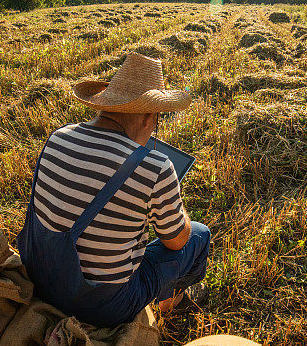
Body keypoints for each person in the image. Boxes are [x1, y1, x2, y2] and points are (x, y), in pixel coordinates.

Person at [15, 52, 211, 328]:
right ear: (147, 117)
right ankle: (171, 302)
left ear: (106, 105)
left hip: (39, 276)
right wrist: (180, 212)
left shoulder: (57, 138)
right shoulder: (155, 166)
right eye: (157, 120)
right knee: (199, 234)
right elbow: (176, 242)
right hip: (102, 306)